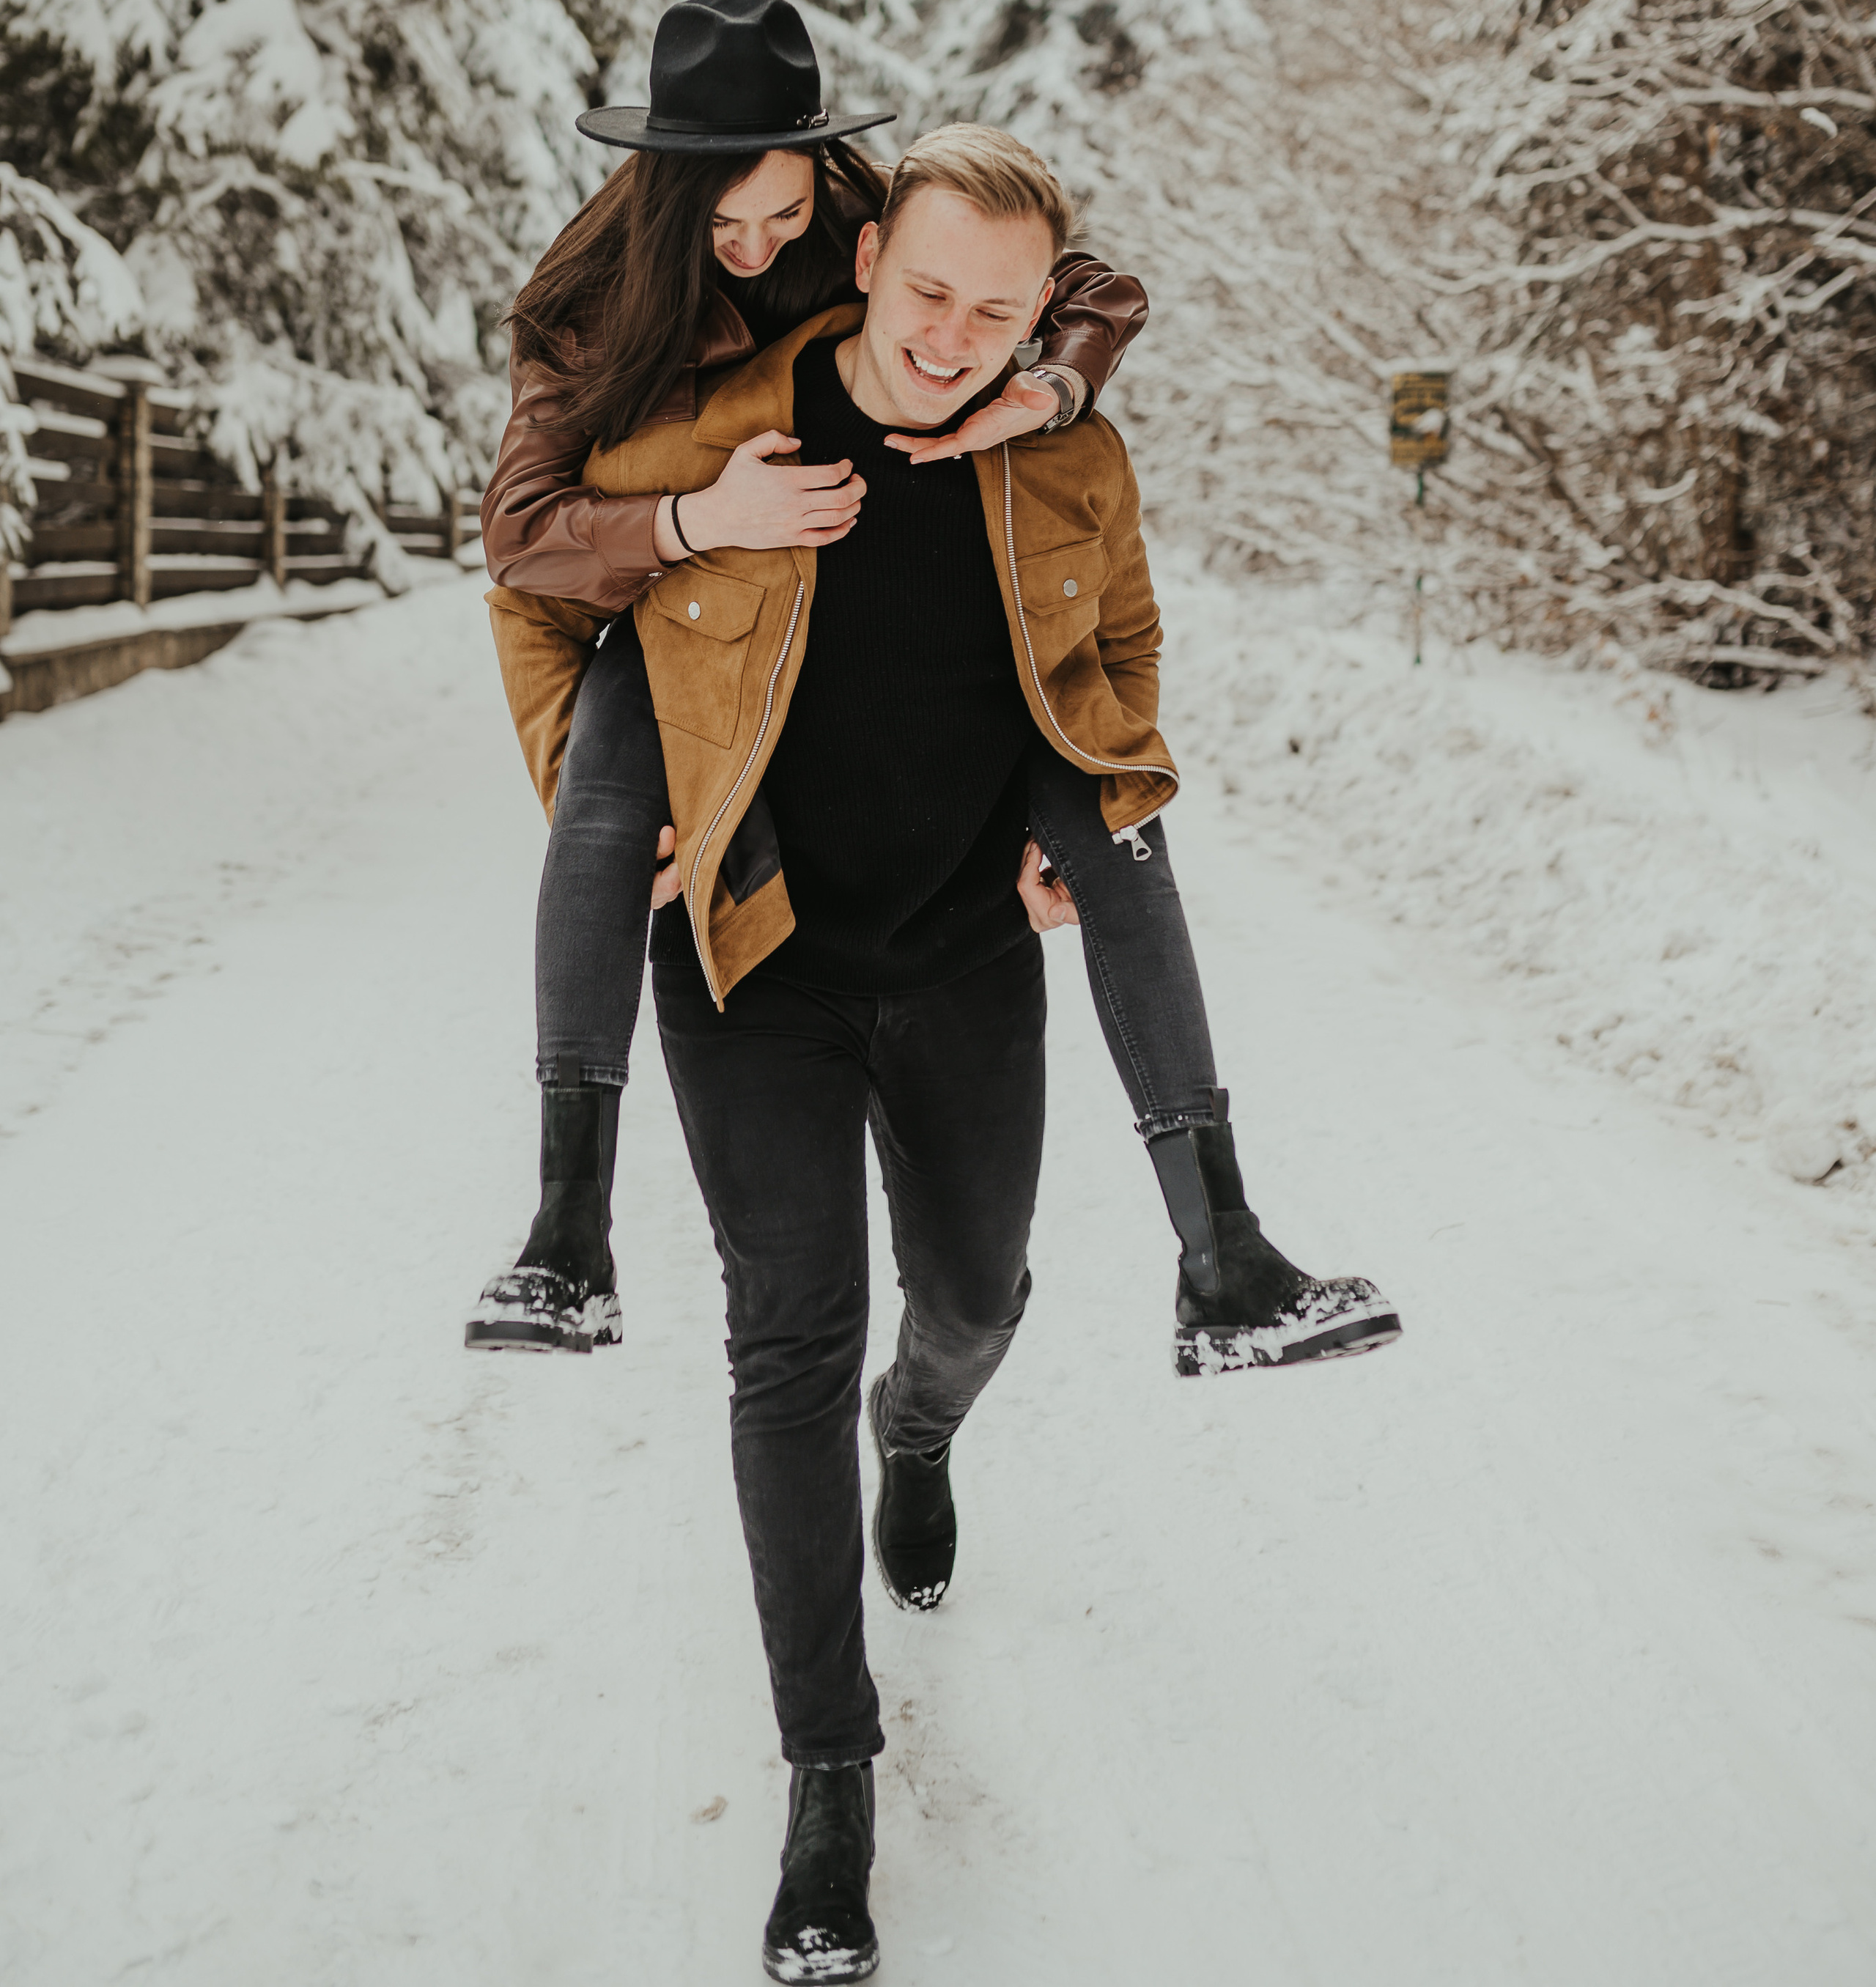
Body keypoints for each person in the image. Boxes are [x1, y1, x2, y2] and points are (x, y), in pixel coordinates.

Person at [497, 119, 1397, 1980]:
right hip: (753, 957)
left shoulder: (1060, 435)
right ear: (864, 253)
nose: (948, 334)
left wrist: (1071, 805)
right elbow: (539, 567)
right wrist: (679, 540)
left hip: (968, 952)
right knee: (784, 1330)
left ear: (1034, 310)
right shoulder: (725, 417)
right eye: (923, 292)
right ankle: (829, 1775)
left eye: (995, 310)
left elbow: (1121, 640)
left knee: (972, 1292)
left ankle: (947, 1415)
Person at [470, 0, 1398, 1386]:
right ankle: (565, 1233)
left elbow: (1087, 285)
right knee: (607, 776)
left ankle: (1226, 1258)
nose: (758, 249)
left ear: (830, 185)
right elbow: (522, 547)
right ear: (661, 189)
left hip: (886, 600)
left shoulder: (881, 219)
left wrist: (1057, 388)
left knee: (1112, 795)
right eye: (724, 226)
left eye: (785, 218)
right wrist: (696, 523)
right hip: (680, 596)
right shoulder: (594, 310)